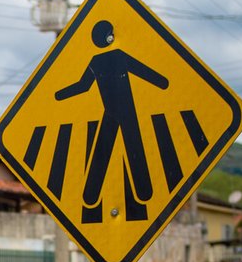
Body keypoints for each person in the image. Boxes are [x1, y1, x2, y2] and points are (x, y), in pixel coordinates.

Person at [53, 19, 169, 223]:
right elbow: (142, 70)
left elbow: (82, 86)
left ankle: (90, 195)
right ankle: (144, 192)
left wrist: (60, 95)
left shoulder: (95, 62)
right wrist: (163, 82)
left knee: (102, 150)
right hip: (125, 109)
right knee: (135, 148)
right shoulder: (118, 56)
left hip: (111, 110)